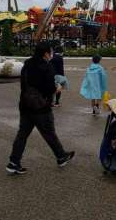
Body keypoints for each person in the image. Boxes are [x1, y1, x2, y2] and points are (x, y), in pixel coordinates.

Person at [6, 41, 75, 175]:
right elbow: (49, 89)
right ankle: (61, 156)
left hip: (25, 104)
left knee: (22, 135)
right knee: (49, 133)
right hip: (41, 107)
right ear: (46, 54)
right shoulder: (47, 67)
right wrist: (57, 88)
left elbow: (23, 84)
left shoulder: (27, 64)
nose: (51, 54)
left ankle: (13, 162)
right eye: (50, 52)